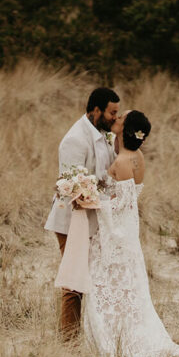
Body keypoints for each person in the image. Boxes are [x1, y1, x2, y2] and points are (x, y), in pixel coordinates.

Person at [81, 110, 179, 357]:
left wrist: (89, 198)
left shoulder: (122, 162)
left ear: (126, 128)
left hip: (116, 230)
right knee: (127, 284)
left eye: (121, 117)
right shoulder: (137, 156)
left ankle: (116, 336)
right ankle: (127, 328)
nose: (117, 118)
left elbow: (119, 204)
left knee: (105, 282)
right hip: (128, 229)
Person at [44, 87, 120, 340]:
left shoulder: (104, 134)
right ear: (96, 110)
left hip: (94, 219)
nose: (114, 118)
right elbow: (73, 188)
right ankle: (68, 340)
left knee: (94, 279)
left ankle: (92, 336)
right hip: (71, 221)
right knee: (74, 281)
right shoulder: (75, 140)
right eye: (112, 112)